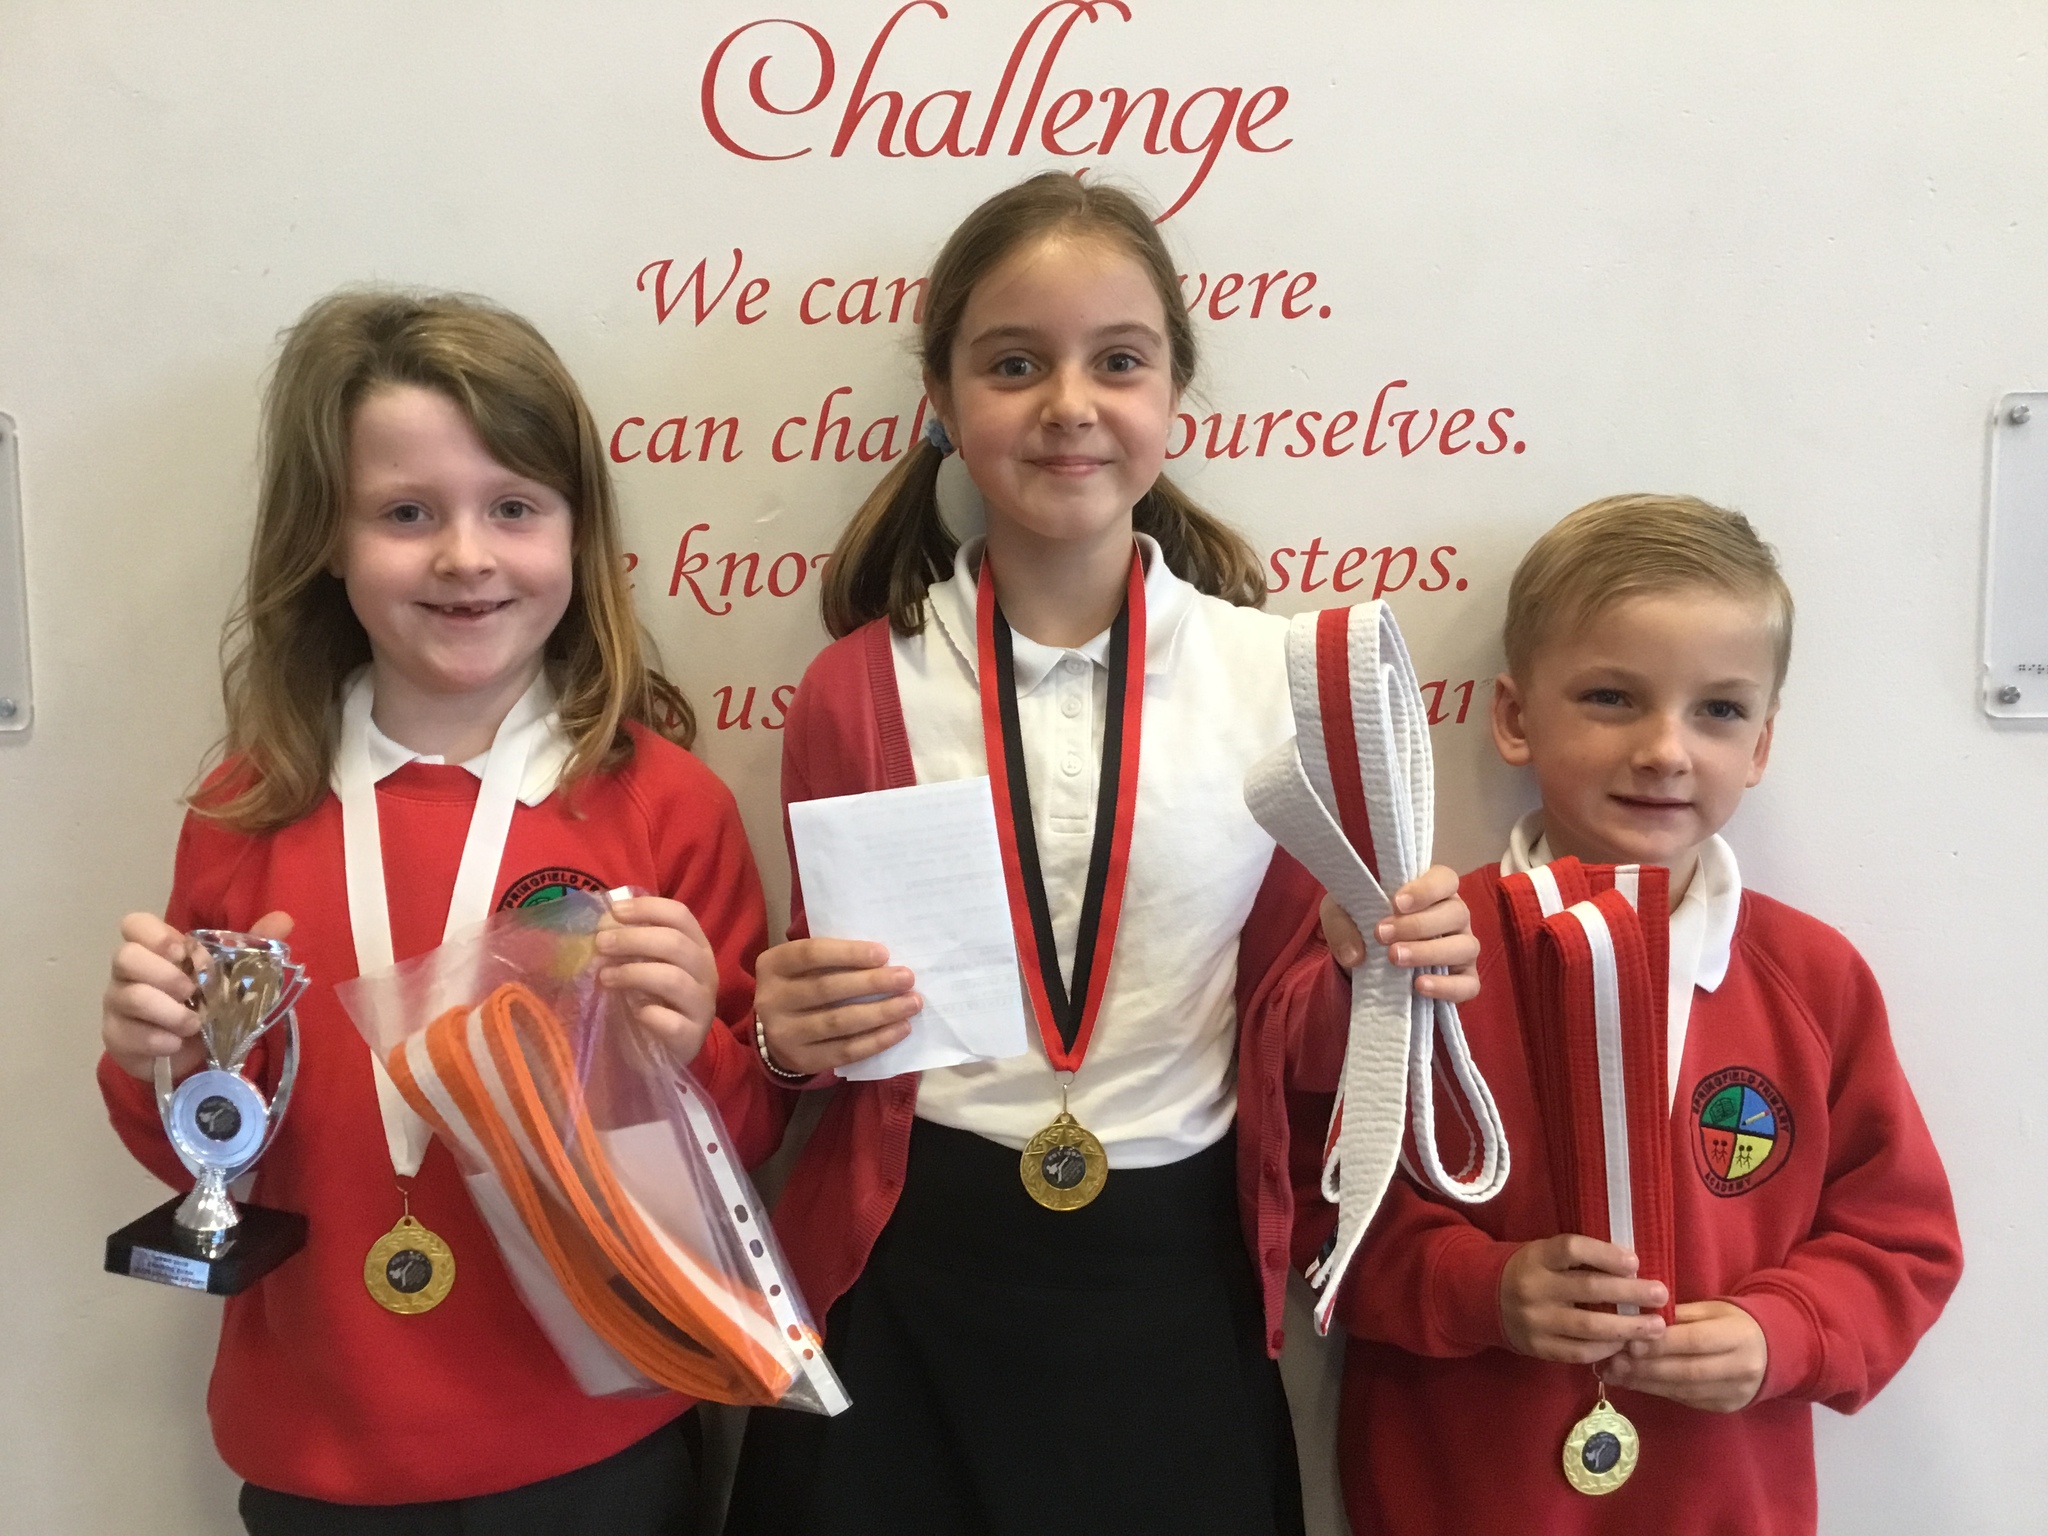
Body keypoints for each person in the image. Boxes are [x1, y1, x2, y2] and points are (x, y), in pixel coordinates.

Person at [720, 172, 1480, 1536]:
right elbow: (831, 1033)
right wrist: (787, 1032)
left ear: (1174, 392)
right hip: (912, 1272)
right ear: (942, 401)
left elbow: (1296, 1045)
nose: (1069, 404)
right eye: (1014, 364)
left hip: (1170, 1279)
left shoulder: (1280, 681)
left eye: (1117, 362)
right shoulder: (858, 687)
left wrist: (1382, 974)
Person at [97, 291, 777, 1534]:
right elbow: (202, 1159)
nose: (466, 556)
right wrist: (162, 1060)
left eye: (513, 506)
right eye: (406, 513)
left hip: (600, 1437)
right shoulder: (247, 812)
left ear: (577, 532)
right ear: (327, 539)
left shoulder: (665, 808)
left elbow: (746, 1138)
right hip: (322, 1450)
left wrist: (689, 1052)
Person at [1332, 494, 1964, 1535]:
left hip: (1721, 1498)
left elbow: (1902, 1238)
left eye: (1717, 711)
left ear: (1761, 744)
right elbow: (1323, 1215)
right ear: (1515, 718)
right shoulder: (1427, 954)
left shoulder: (1813, 981)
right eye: (1611, 698)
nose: (1666, 749)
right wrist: (1479, 1286)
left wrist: (1785, 1333)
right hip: (1462, 1497)